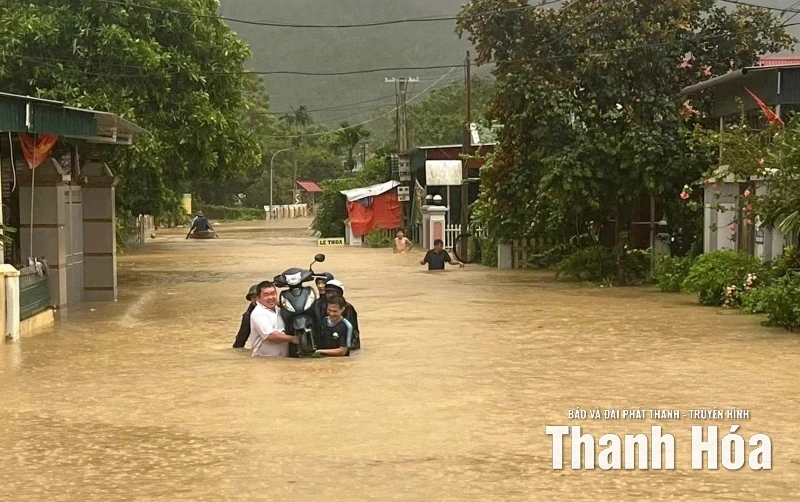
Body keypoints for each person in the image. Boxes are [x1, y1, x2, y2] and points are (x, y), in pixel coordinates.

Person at [248, 280, 299, 357]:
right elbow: (270, 336)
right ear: (258, 298)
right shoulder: (258, 313)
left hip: (282, 361)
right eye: (266, 295)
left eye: (273, 293)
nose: (271, 297)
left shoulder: (280, 309)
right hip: (264, 361)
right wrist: (293, 339)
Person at [324, 279, 360, 351]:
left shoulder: (348, 307)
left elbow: (351, 329)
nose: (330, 295)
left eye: (333, 292)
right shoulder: (322, 304)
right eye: (328, 292)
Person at [232, 284, 258, 348]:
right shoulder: (248, 316)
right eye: (254, 297)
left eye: (258, 296)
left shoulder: (278, 307)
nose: (256, 300)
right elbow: (241, 340)